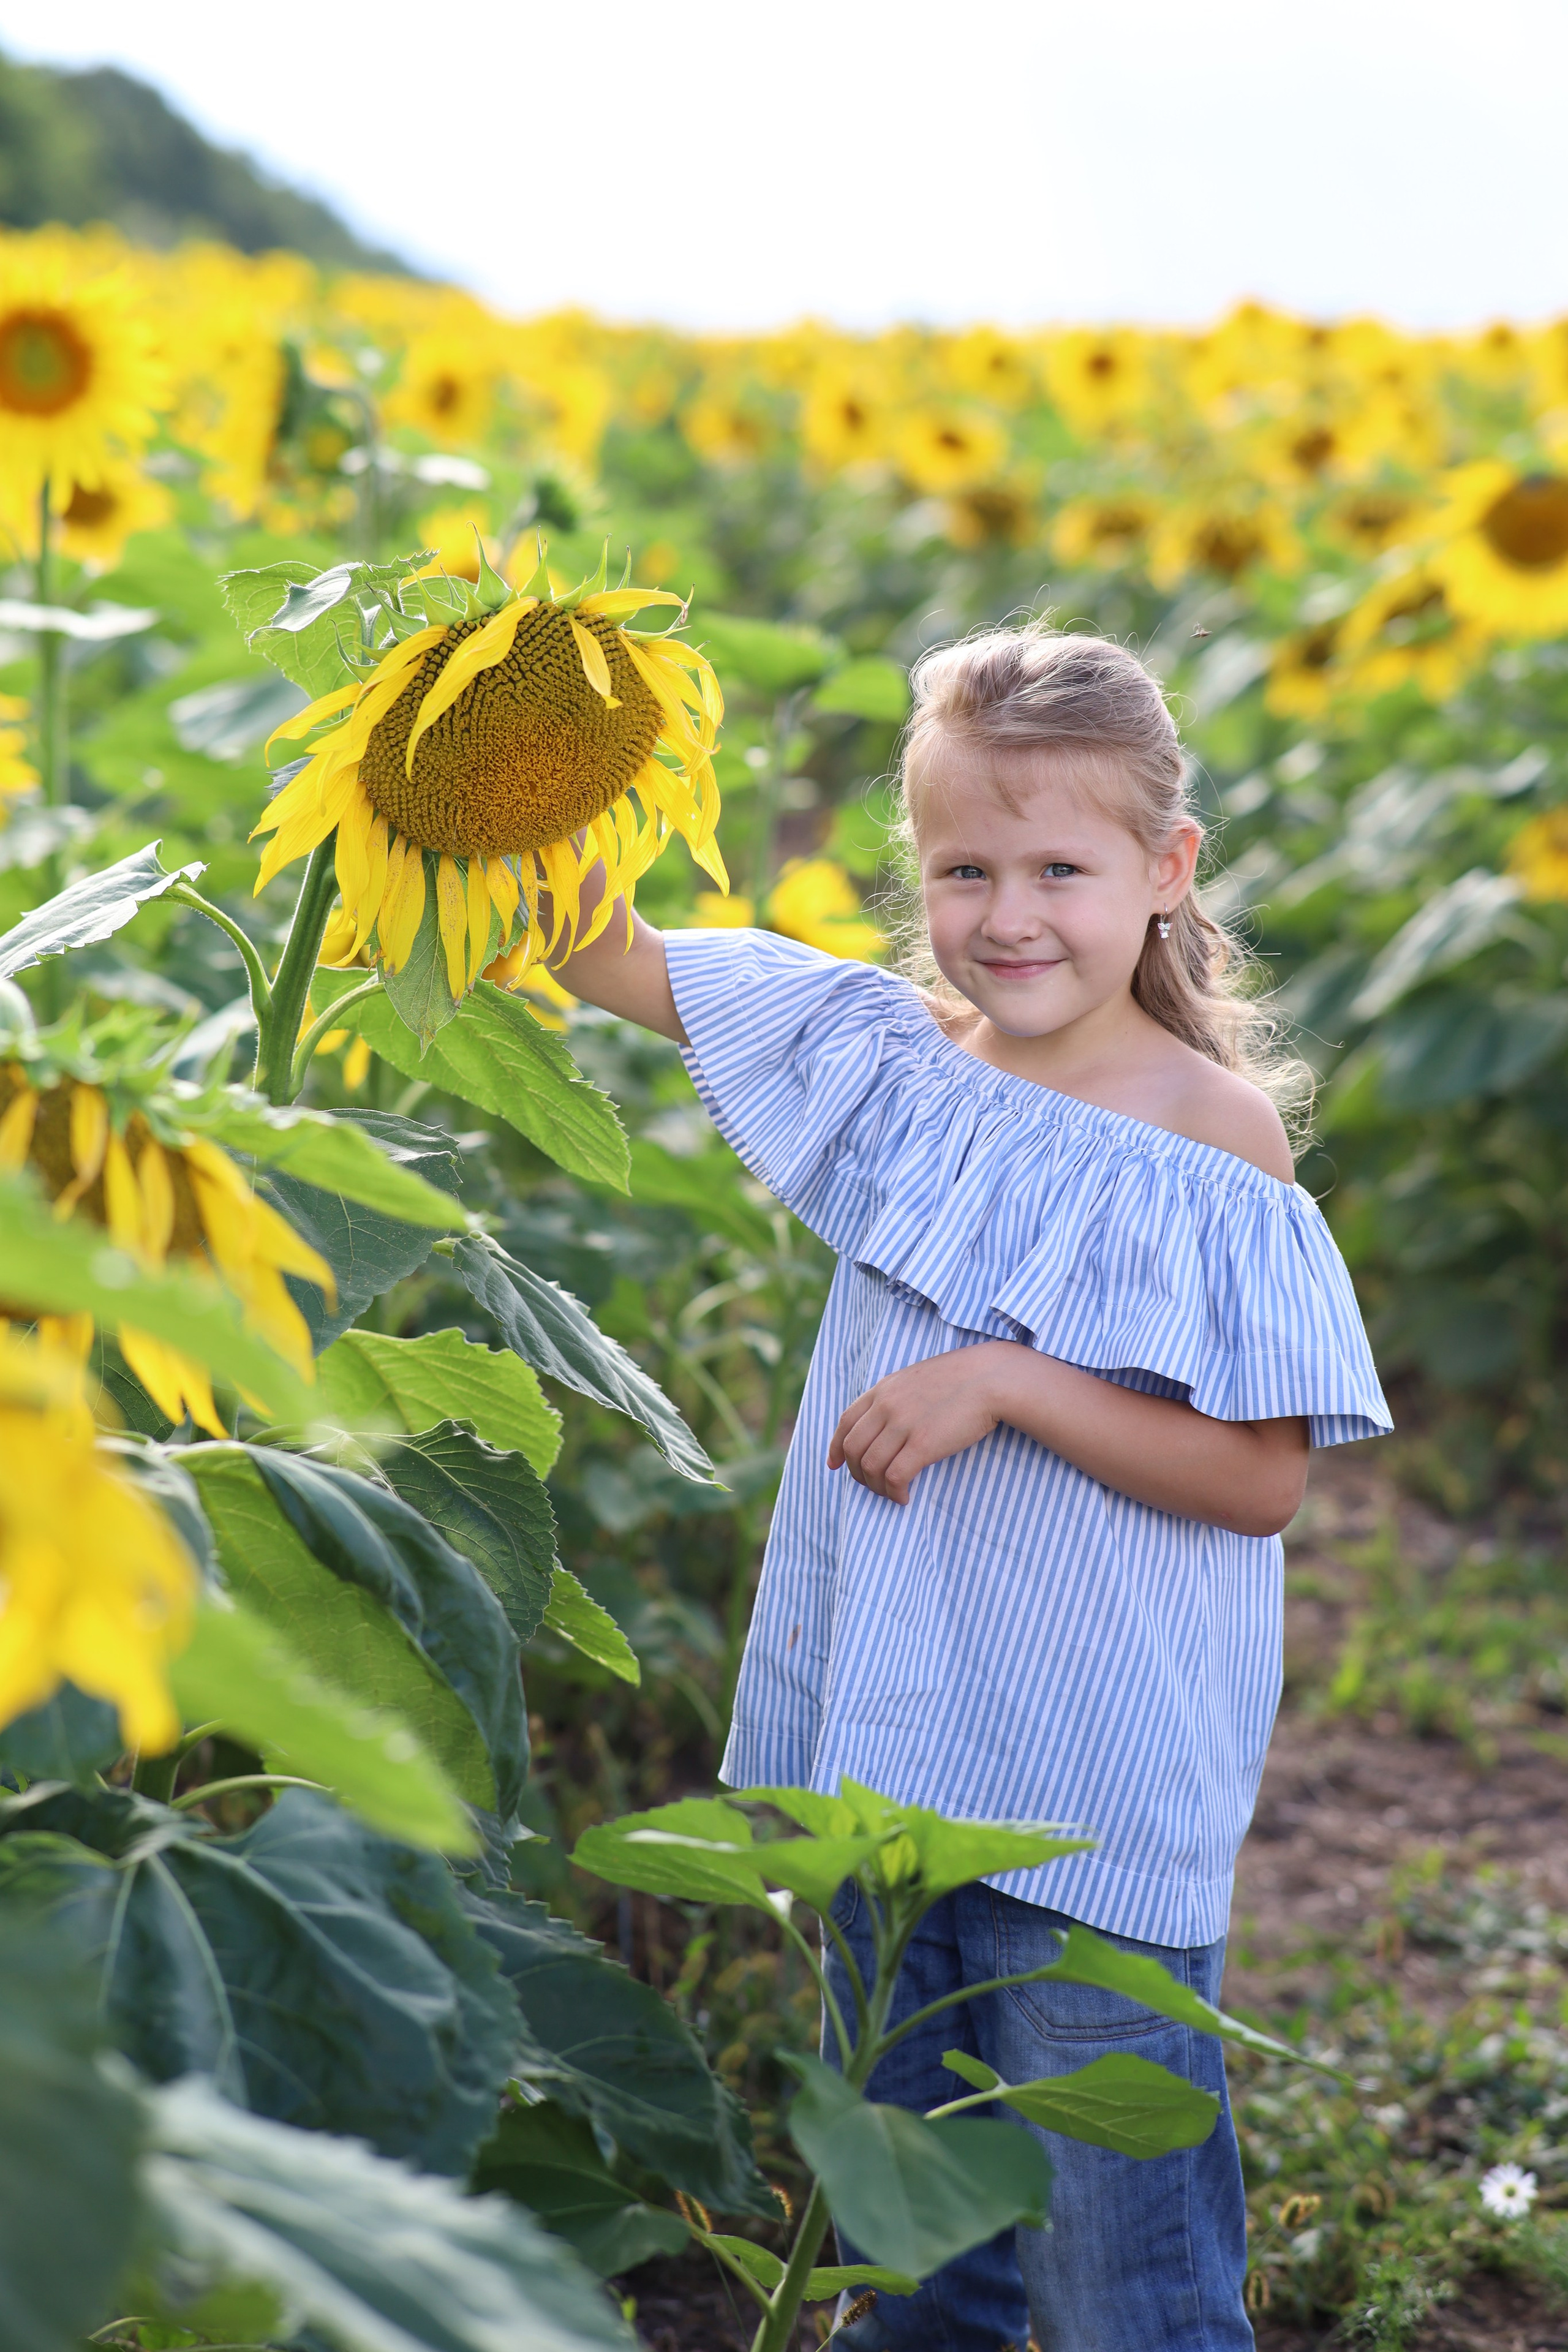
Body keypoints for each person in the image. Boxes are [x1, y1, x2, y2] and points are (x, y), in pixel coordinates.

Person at [552, 622, 1390, 2352]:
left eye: (1061, 868)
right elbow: (604, 956)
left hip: (1089, 1777)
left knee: (1121, 2276)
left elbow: (1256, 1482)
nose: (1009, 914)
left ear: (1166, 873)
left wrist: (1007, 1381)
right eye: (962, 868)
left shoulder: (1206, 1133)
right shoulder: (896, 1066)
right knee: (908, 2248)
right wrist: (517, 724)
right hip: (892, 1742)